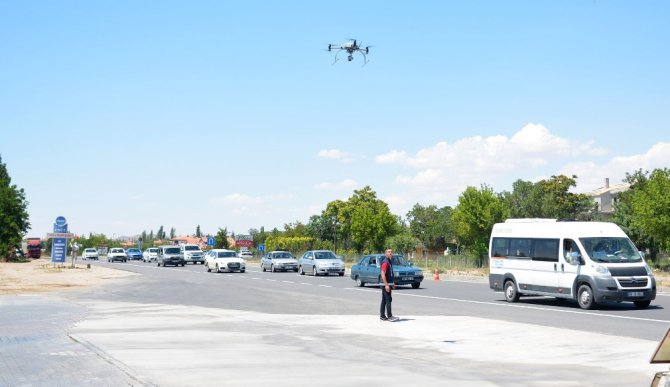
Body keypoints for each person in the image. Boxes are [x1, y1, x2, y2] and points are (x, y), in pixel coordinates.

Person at [380, 248, 399, 322]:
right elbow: (382, 274)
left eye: (391, 252)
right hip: (385, 284)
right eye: (389, 252)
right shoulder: (385, 262)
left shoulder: (389, 261)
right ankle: (390, 316)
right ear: (386, 254)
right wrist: (386, 285)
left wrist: (392, 283)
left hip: (388, 283)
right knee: (388, 299)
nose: (390, 253)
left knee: (384, 300)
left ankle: (382, 316)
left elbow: (390, 274)